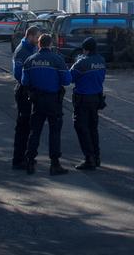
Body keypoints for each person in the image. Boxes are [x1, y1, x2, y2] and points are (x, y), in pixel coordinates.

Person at [18, 34, 72, 176]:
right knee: (54, 132)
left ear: (39, 44)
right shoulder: (57, 60)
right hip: (53, 100)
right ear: (50, 44)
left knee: (35, 131)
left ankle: (30, 161)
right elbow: (67, 80)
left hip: (37, 100)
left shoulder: (30, 60)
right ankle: (54, 164)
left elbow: (24, 82)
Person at [69, 37, 107, 171]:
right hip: (96, 99)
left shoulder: (82, 63)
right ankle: (96, 157)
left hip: (83, 99)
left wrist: (76, 62)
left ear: (86, 49)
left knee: (81, 128)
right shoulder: (101, 60)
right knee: (93, 129)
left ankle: (89, 159)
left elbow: (69, 78)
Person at [10, 26, 41, 171]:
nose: (38, 40)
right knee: (23, 127)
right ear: (30, 36)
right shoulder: (22, 51)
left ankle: (25, 158)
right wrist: (30, 83)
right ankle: (18, 160)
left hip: (30, 91)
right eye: (37, 37)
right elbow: (18, 74)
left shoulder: (32, 48)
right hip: (24, 92)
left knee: (29, 126)